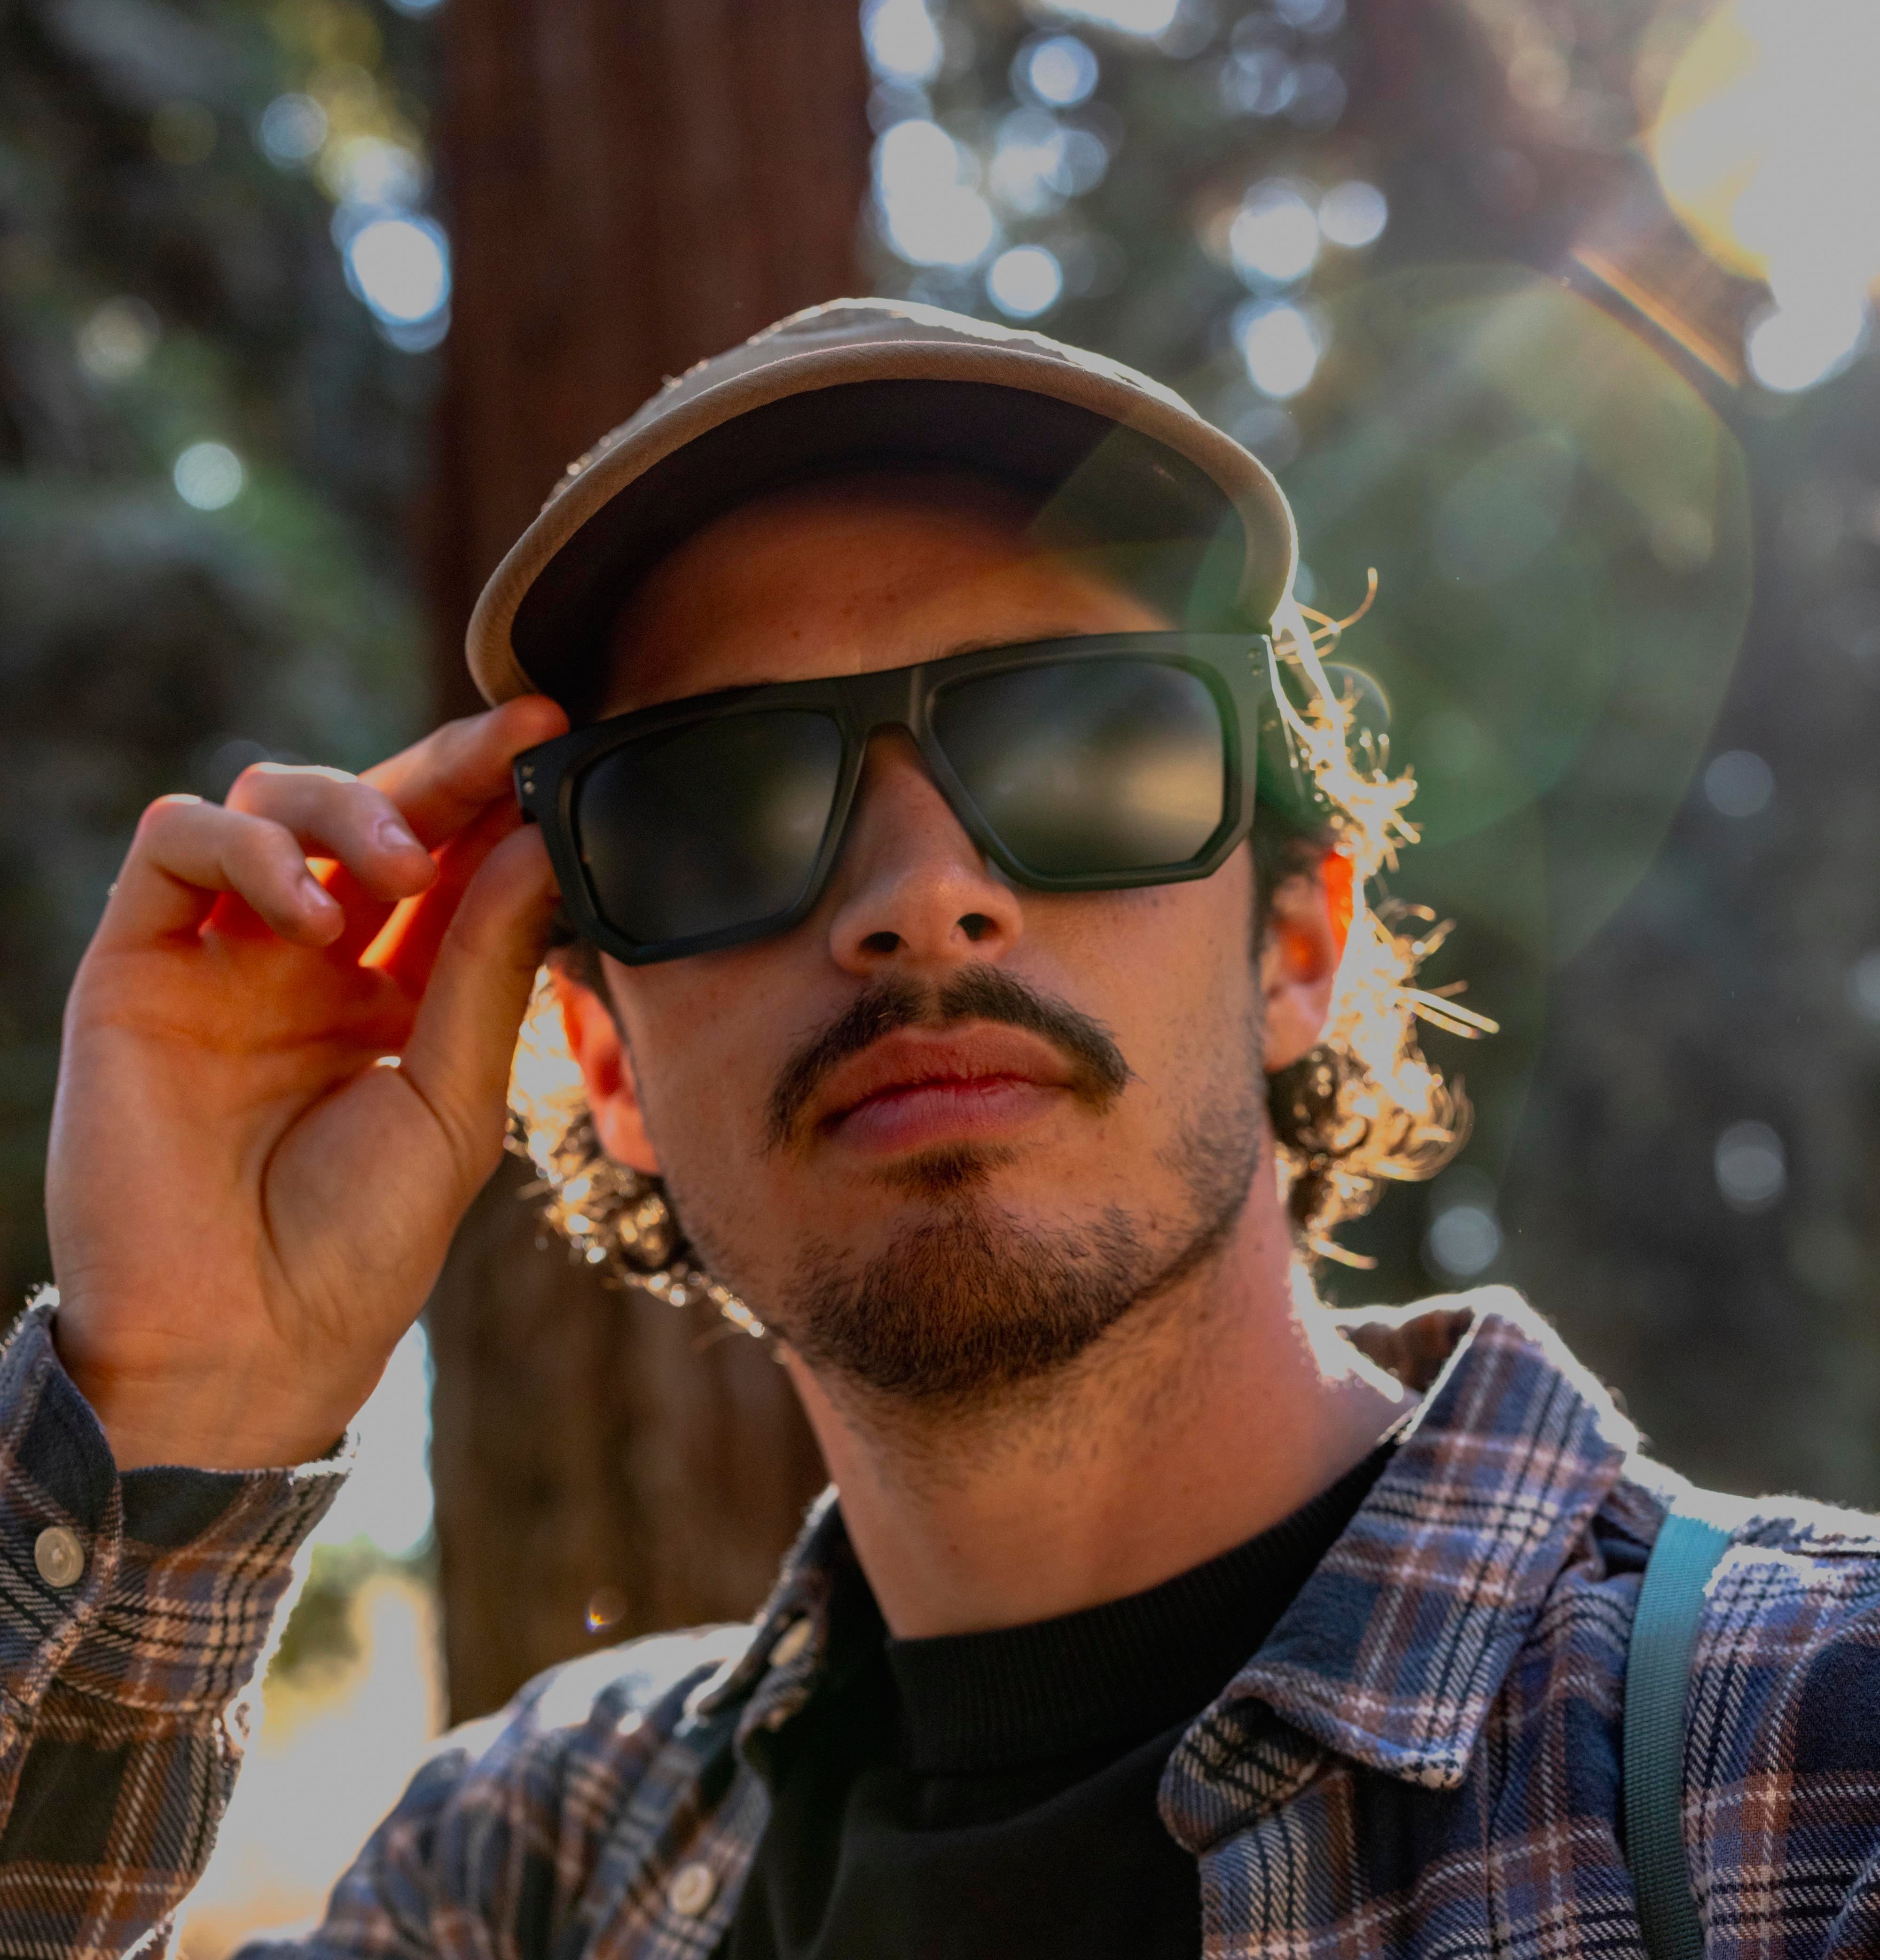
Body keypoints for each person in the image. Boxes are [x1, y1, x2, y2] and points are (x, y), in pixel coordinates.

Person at [1, 300, 1875, 1957]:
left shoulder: (1810, 1763)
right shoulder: (519, 1873)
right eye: (725, 805)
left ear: (1295, 939)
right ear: (606, 1062)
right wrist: (174, 1406)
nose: (916, 896)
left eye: (1083, 746)